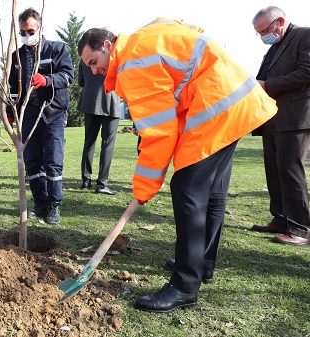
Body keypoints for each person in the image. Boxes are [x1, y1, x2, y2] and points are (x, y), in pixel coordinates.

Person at [78, 21, 277, 312]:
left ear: (108, 46)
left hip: (216, 105)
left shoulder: (134, 62)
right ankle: (201, 264)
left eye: (94, 62)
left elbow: (160, 131)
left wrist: (144, 187)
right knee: (211, 193)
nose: (94, 70)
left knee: (187, 188)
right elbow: (190, 31)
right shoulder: (145, 38)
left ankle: (185, 285)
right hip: (236, 99)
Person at [250, 6, 310, 246]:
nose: (262, 36)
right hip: (273, 117)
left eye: (264, 30)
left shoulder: (304, 36)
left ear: (280, 21)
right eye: (259, 33)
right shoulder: (275, 46)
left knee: (290, 171)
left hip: (295, 117)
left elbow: (307, 73)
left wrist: (267, 85)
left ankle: (301, 229)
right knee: (274, 170)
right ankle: (281, 218)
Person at [8, 8, 74, 224]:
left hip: (52, 111)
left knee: (53, 160)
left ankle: (54, 205)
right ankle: (40, 203)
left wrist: (48, 80)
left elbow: (68, 75)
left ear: (40, 28)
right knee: (32, 161)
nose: (27, 36)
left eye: (31, 31)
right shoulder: (15, 56)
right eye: (23, 32)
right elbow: (12, 88)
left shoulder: (57, 49)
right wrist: (10, 113)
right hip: (27, 113)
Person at [77, 59, 120, 195]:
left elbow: (81, 82)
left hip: (90, 102)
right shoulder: (114, 58)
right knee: (107, 144)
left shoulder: (85, 58)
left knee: (89, 142)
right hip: (110, 102)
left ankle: (85, 179)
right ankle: (102, 184)